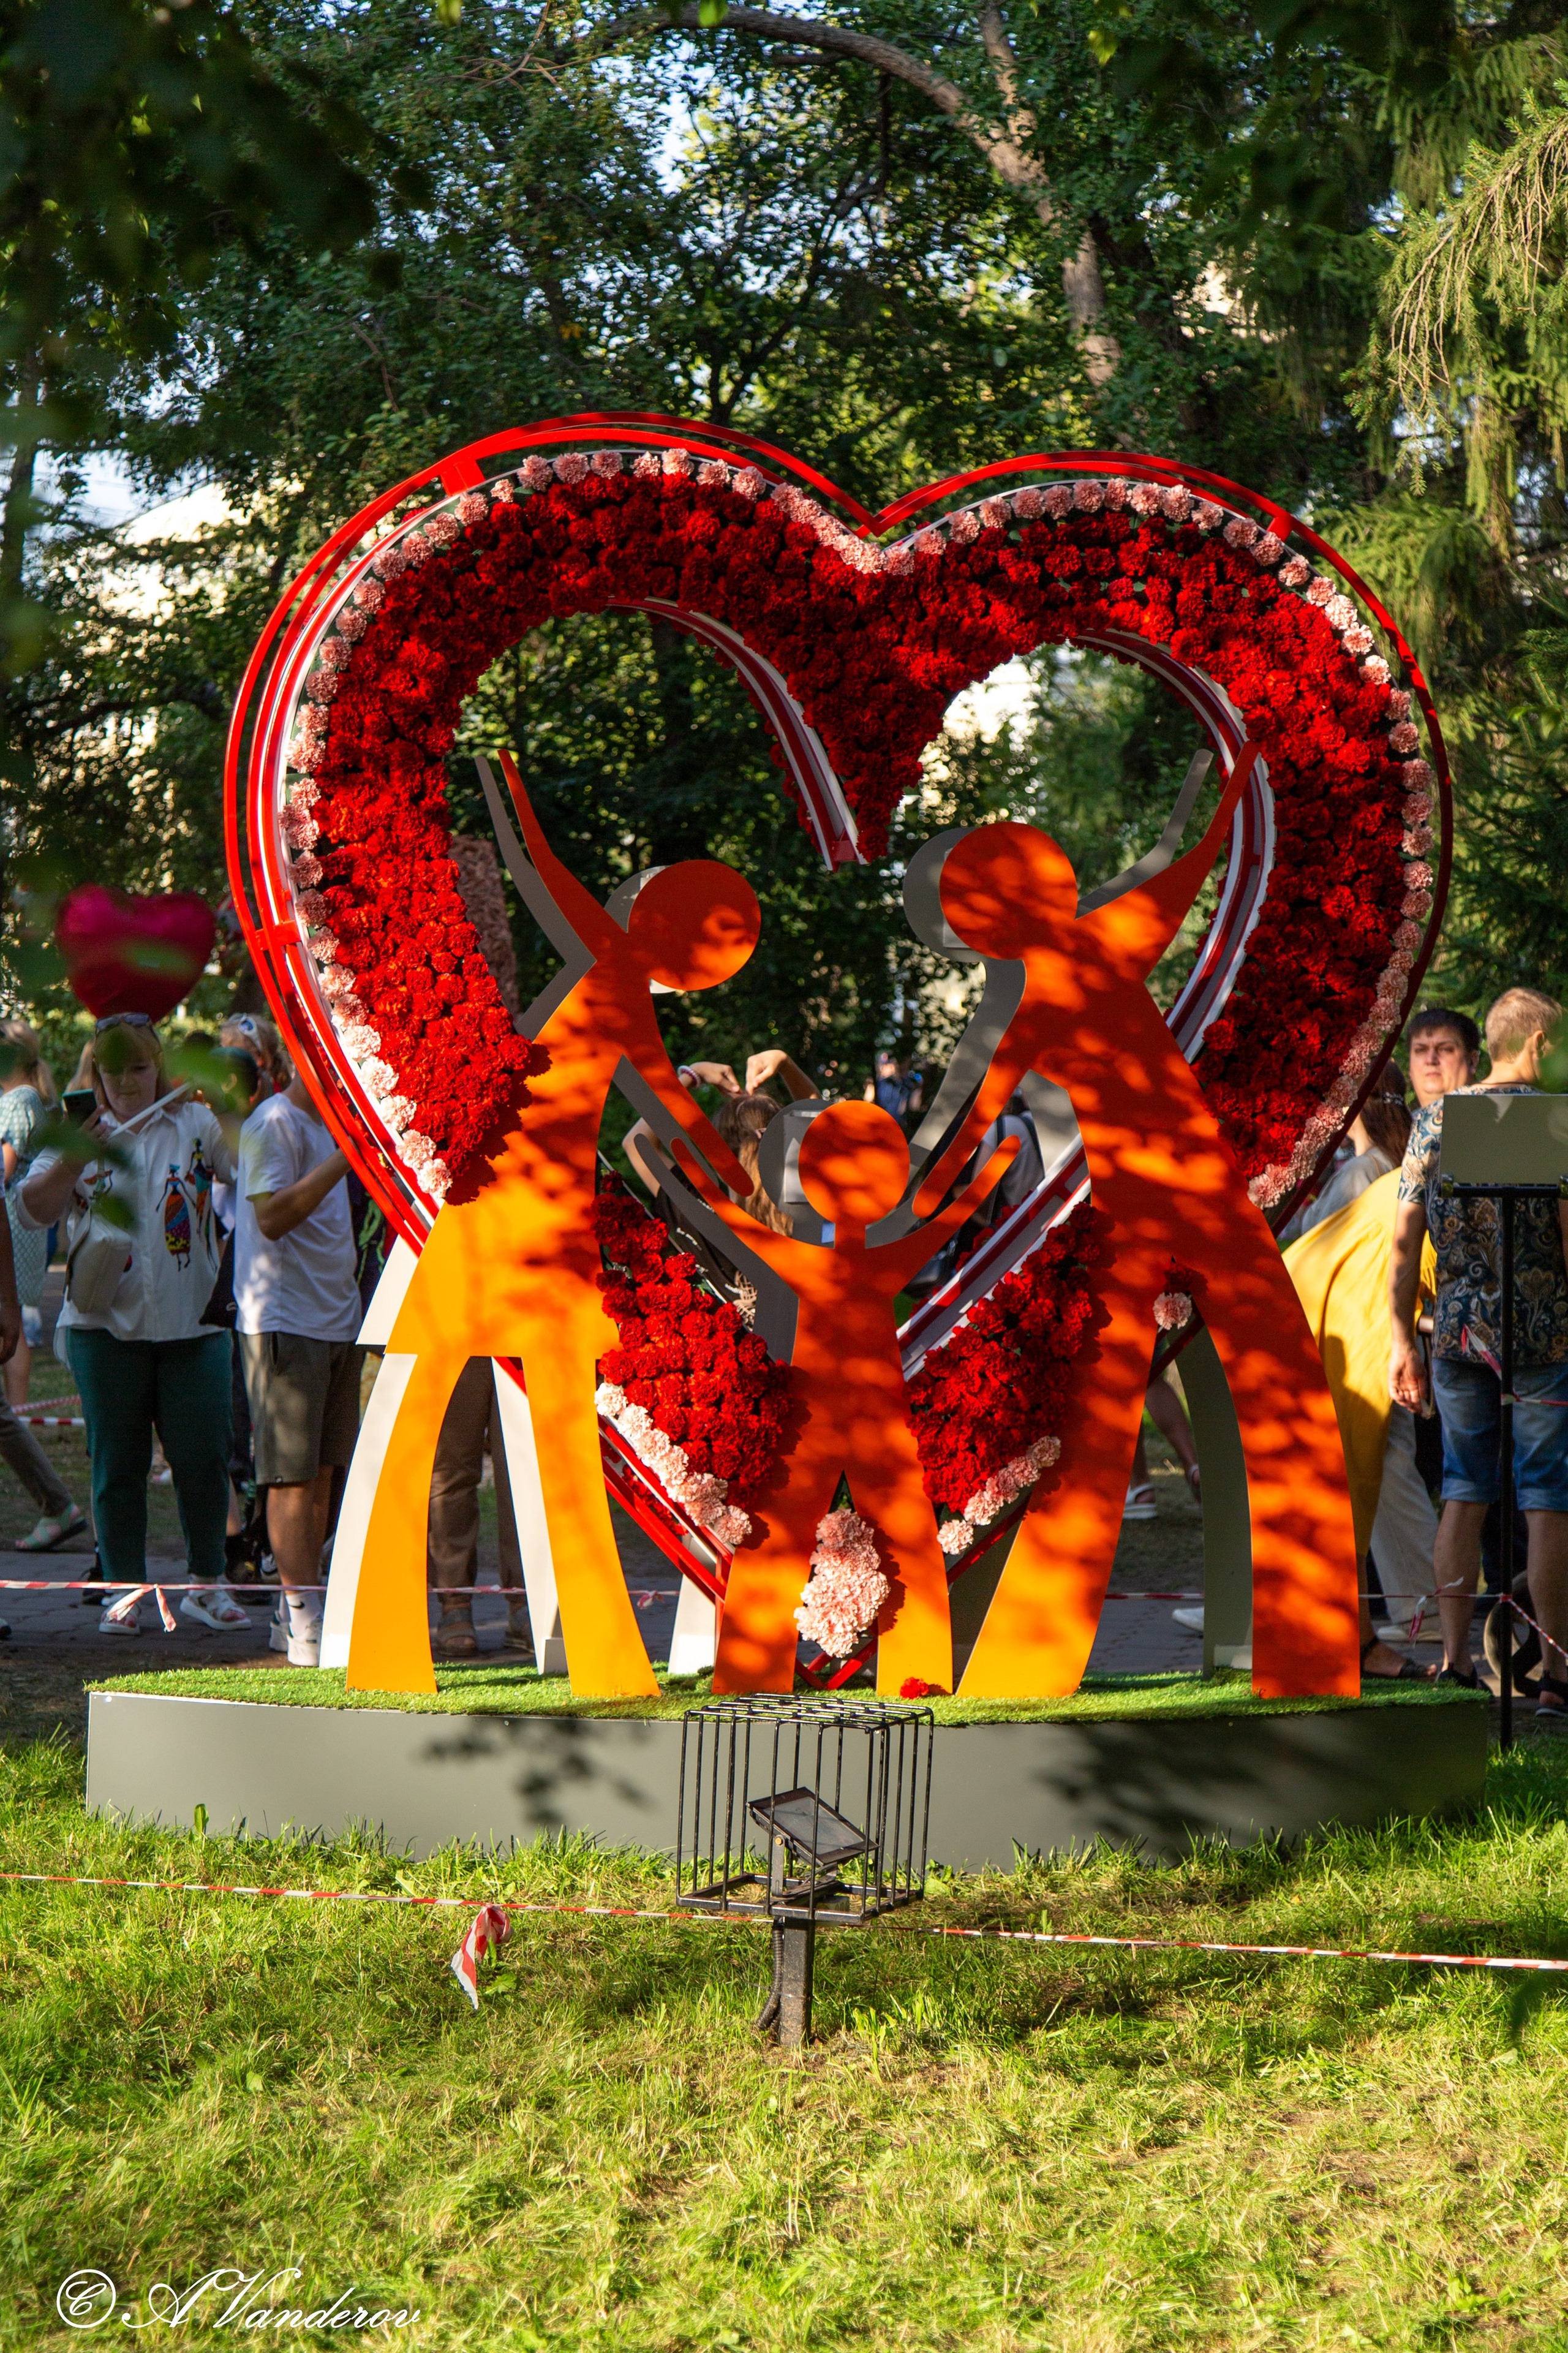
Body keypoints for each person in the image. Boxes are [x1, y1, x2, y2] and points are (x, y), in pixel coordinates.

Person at [908, 755, 1360, 1700]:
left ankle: (1291, 1646)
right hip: (1177, 1192)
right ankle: (1055, 1653)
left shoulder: (1060, 964)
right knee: (1154, 1406)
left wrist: (1223, 779)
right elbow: (1184, 860)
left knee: (1134, 1411)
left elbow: (1184, 860)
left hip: (1168, 1193)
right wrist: (1217, 785)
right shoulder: (1075, 957)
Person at [18, 1014, 244, 1631]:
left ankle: (208, 1579)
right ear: (95, 1072)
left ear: (159, 1066)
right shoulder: (77, 1130)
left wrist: (226, 1104)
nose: (127, 1082)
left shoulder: (193, 1120)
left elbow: (243, 1167)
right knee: (117, 1463)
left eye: (140, 1068)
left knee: (202, 1457)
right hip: (104, 1327)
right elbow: (33, 1209)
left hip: (194, 1324)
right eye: (112, 1070)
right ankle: (124, 1589)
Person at [1390, 986, 1568, 1711]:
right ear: (1537, 1045)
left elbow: (1403, 1242)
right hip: (1544, 1331)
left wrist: (1403, 1335)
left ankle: (1457, 1662)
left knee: (1461, 1492)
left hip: (1459, 1334)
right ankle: (1558, 1674)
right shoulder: (1554, 1119)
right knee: (1547, 1499)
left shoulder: (1434, 1120)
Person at [234, 1064, 363, 1666]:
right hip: (285, 1320)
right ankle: (302, 1608)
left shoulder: (329, 1124)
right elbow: (272, 1217)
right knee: (288, 1475)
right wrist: (349, 1157)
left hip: (335, 1318)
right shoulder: (272, 1122)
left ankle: (299, 1606)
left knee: (323, 1470)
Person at [428, 1359, 533, 1660]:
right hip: (452, 1330)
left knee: (524, 1473)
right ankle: (454, 1603)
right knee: (449, 1472)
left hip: (525, 1332)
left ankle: (524, 1602)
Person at [0, 1019, 54, 1407]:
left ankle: (17, 1415)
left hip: (14, 1229)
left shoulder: (21, 1100)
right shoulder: (11, 1098)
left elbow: (4, 1168)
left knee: (11, 1316)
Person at [865, 1049, 923, 1129]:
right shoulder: (877, 1084)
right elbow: (868, 1102)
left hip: (897, 1126)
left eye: (891, 1064)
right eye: (887, 1065)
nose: (890, 1068)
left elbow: (913, 1106)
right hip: (878, 1124)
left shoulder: (905, 1084)